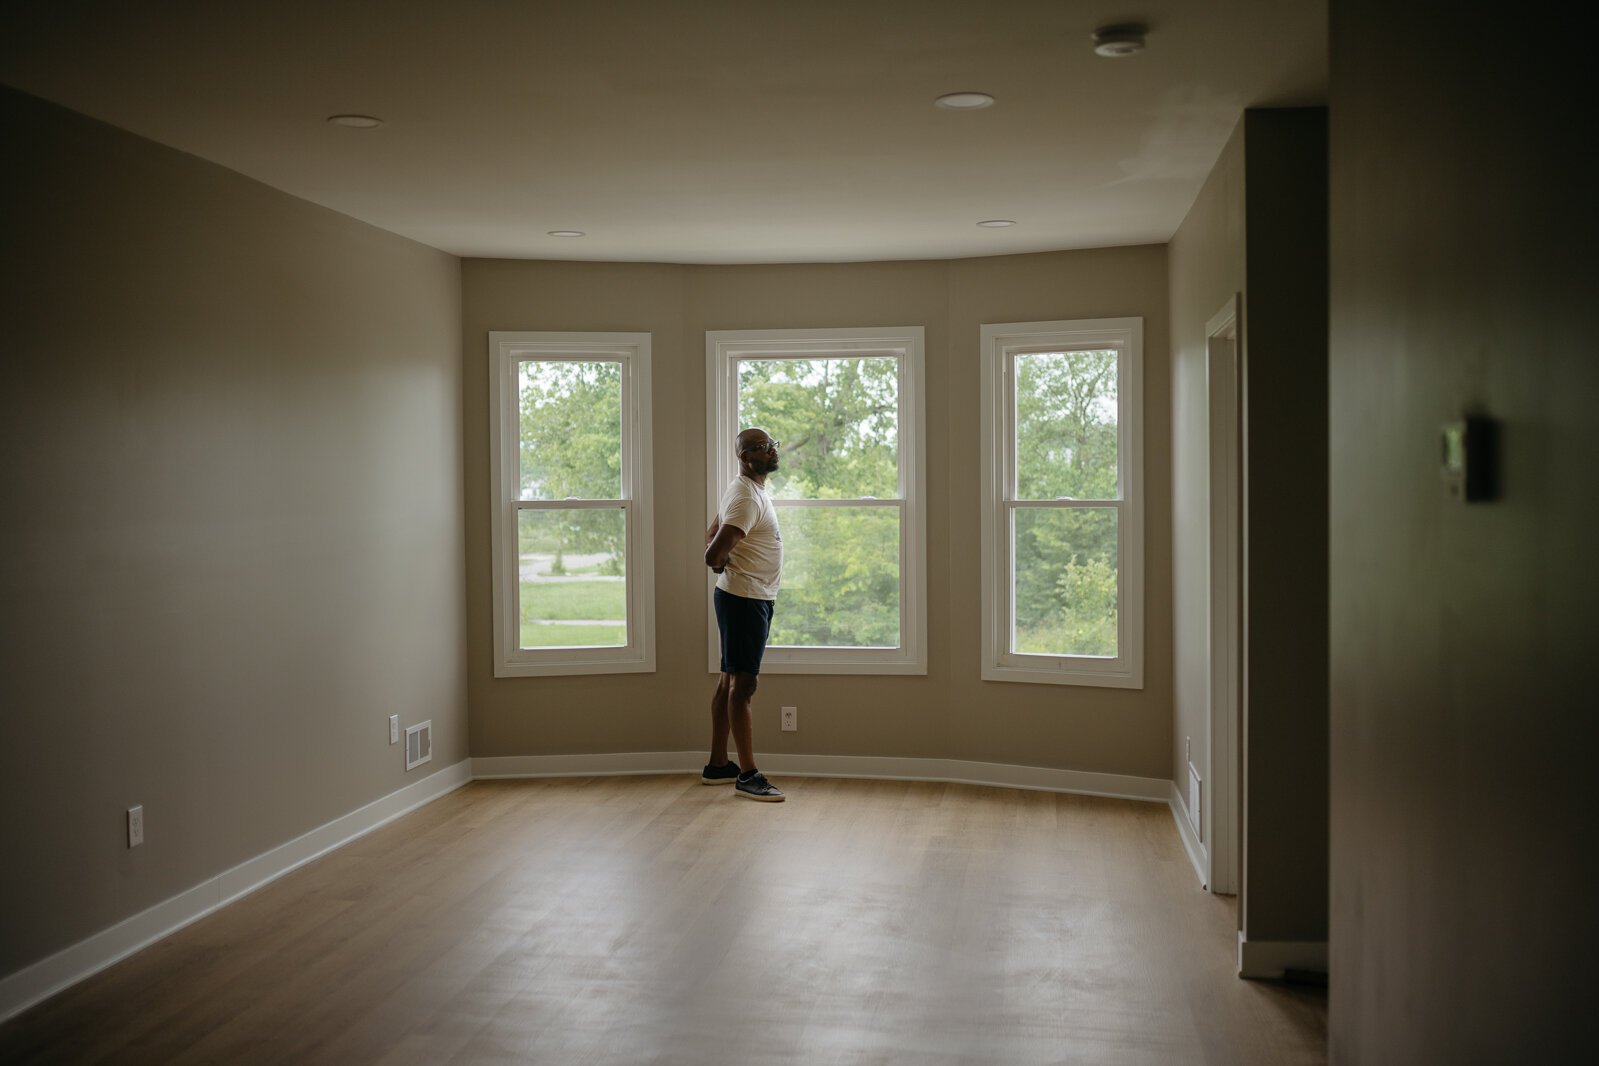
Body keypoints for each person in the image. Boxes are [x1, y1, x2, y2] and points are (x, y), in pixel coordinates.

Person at [702, 427, 786, 801]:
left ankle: (719, 764)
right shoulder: (746, 498)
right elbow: (712, 552)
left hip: (746, 598)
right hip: (745, 600)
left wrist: (728, 564)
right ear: (744, 456)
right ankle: (748, 775)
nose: (771, 451)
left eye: (772, 445)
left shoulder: (745, 491)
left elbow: (712, 531)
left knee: (727, 682)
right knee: (743, 687)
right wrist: (725, 565)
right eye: (762, 448)